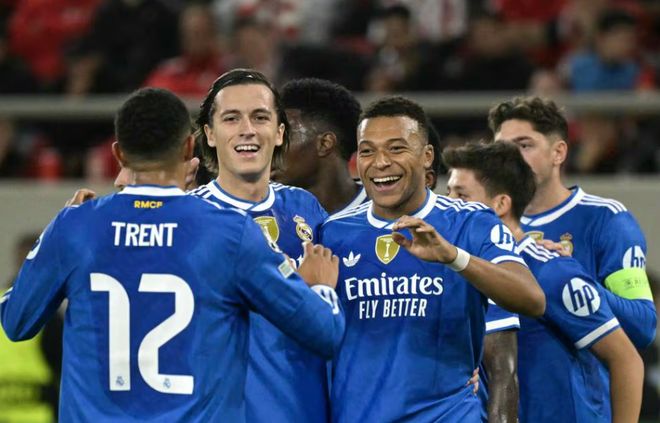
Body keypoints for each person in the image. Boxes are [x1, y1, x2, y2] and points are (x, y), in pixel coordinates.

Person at [0, 87, 344, 422]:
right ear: (189, 147)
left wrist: (56, 232)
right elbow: (324, 331)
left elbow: (15, 322)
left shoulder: (76, 227)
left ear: (119, 154)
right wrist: (321, 287)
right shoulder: (229, 232)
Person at [321, 96, 545, 422]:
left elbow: (532, 299)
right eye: (367, 151)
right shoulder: (333, 233)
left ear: (427, 156)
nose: (380, 162)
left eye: (396, 148)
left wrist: (453, 257)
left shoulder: (470, 222)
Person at [443, 141, 644, 423]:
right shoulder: (460, 272)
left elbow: (626, 359)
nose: (449, 205)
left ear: (501, 204)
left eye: (461, 195)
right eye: (448, 193)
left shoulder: (550, 271)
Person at [190, 69, 333, 423]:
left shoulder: (306, 209)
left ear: (279, 132)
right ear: (210, 134)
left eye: (260, 117)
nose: (247, 130)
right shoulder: (188, 217)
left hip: (303, 410)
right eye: (231, 118)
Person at [488, 96, 656, 349]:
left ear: (558, 152)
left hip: (579, 374)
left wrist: (572, 280)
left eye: (524, 145)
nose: (510, 158)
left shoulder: (607, 219)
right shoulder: (485, 223)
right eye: (501, 149)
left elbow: (642, 326)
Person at [273, 77, 366, 214]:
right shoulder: (259, 215)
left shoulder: (389, 214)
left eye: (283, 136)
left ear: (325, 144)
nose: (269, 148)